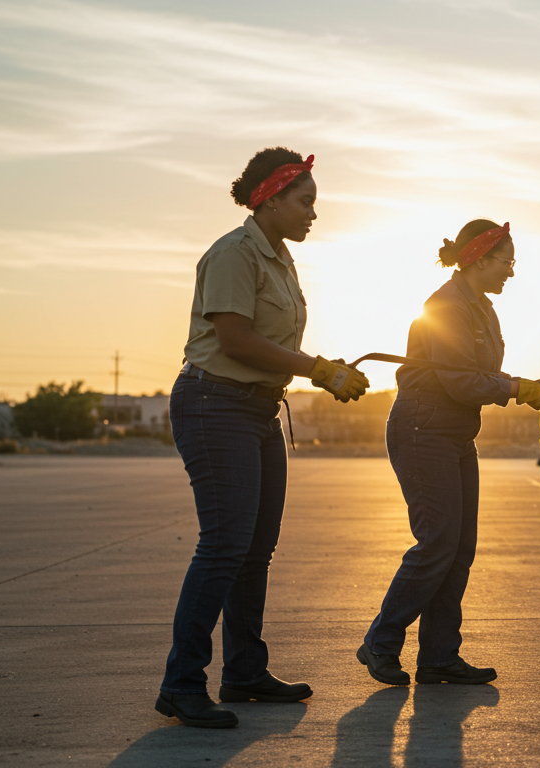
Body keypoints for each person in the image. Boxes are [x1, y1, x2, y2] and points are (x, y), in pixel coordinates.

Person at [158, 147, 370, 729]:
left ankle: (245, 671)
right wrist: (319, 370)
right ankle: (181, 683)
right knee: (224, 544)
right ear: (270, 199)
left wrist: (319, 368)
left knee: (255, 550)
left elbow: (269, 345)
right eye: (305, 202)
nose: (312, 214)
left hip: (256, 410)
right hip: (213, 403)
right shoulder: (233, 253)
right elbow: (236, 342)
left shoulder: (279, 258)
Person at [358, 219, 540, 687]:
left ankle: (439, 657)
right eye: (507, 261)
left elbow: (477, 374)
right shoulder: (446, 307)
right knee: (438, 544)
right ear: (480, 259)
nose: (511, 271)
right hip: (423, 427)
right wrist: (516, 388)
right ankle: (381, 642)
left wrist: (524, 384)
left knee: (459, 549)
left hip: (455, 433)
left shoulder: (482, 309)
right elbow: (461, 380)